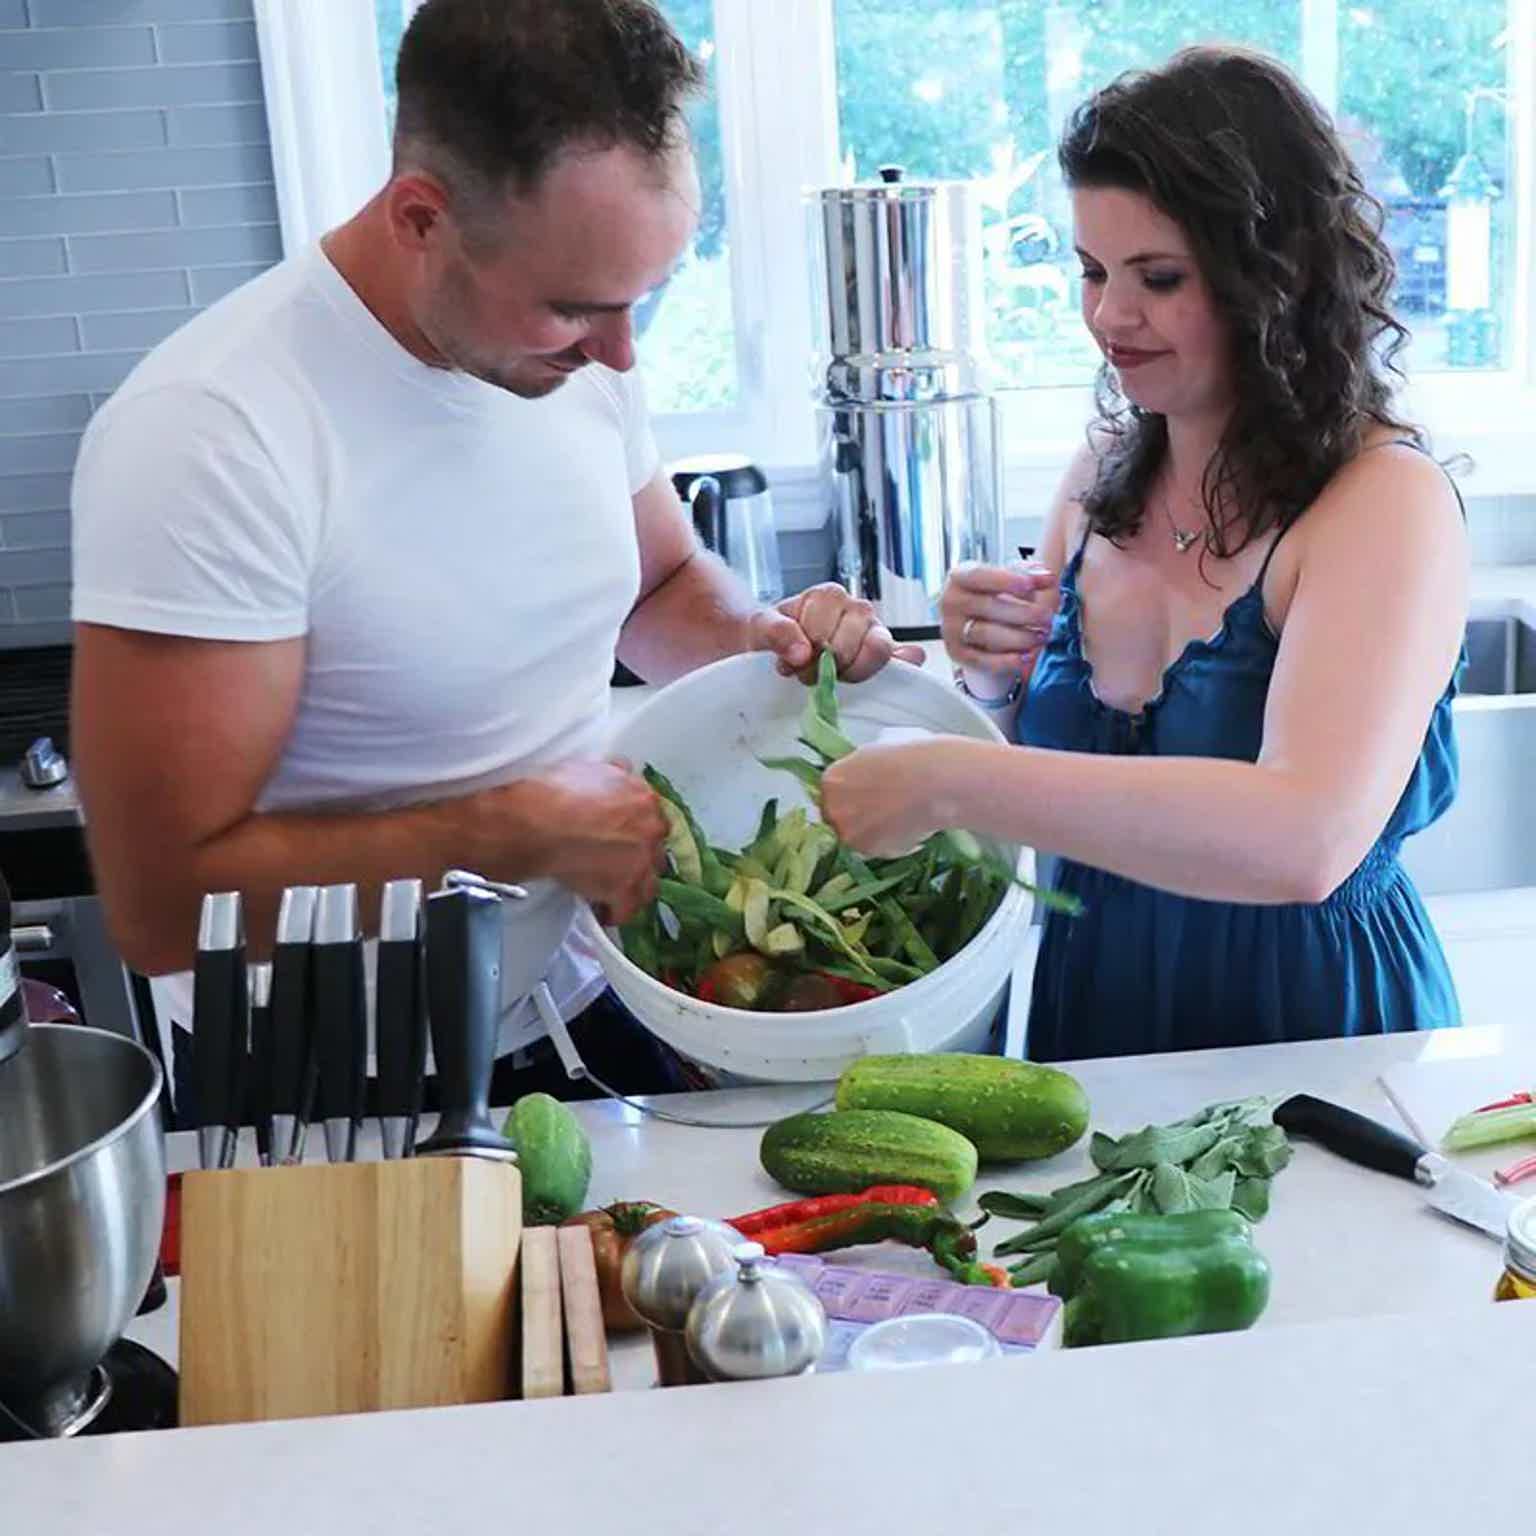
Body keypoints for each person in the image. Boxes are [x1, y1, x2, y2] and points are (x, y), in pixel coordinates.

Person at [69, 0, 918, 1113]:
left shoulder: (576, 352)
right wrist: (509, 832)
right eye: (577, 310)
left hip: (574, 1006)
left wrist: (753, 642)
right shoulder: (211, 432)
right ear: (422, 216)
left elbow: (658, 582)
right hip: (328, 1077)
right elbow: (160, 902)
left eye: (642, 305)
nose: (618, 353)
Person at [822, 46, 1467, 1061]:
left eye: (1157, 278)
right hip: (1095, 1013)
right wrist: (989, 685)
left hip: (1314, 1034)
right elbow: (1062, 788)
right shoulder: (1102, 472)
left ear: (1276, 280)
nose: (1108, 317)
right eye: (1091, 271)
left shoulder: (1384, 504)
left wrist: (949, 779)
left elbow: (1306, 840)